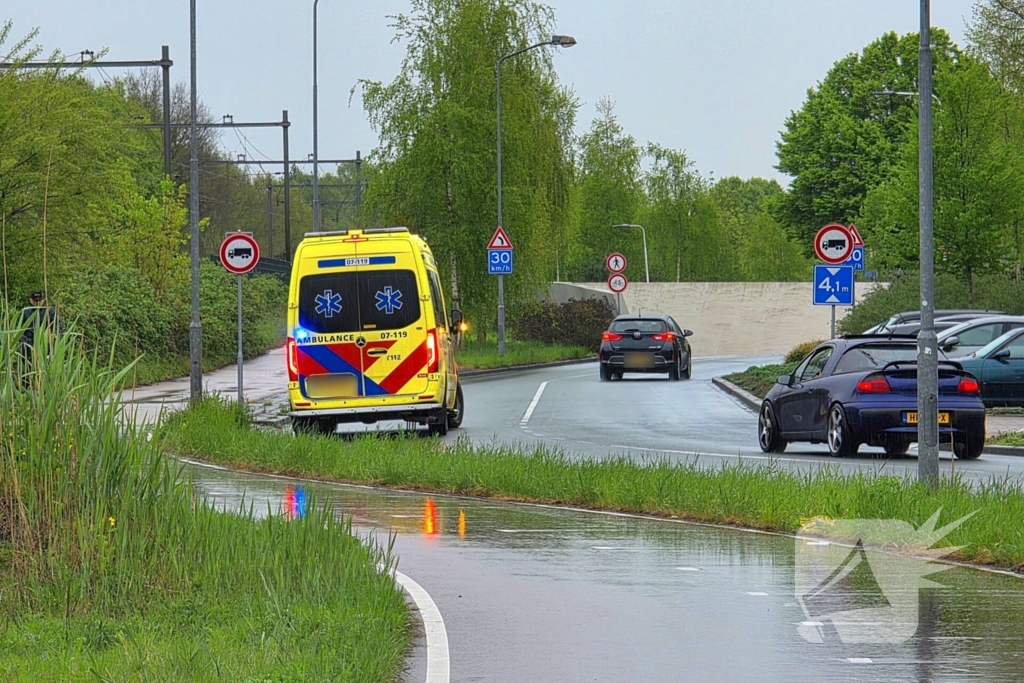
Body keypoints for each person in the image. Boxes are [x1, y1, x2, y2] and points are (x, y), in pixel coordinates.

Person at [18, 291, 62, 387]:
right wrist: (23, 340)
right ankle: (25, 389)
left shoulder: (50, 312)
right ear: (31, 300)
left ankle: (44, 389)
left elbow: (59, 328)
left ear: (42, 300)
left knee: (44, 369)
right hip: (28, 346)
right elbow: (20, 330)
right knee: (26, 369)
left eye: (39, 300)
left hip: (45, 347)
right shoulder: (26, 312)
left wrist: (53, 337)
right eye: (35, 301)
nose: (37, 303)